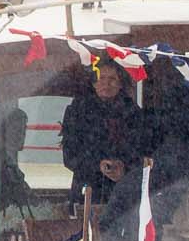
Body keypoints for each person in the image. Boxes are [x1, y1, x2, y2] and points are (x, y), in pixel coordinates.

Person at [60, 58, 149, 213]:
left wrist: (124, 168)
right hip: (86, 193)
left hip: (123, 194)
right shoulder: (77, 111)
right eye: (102, 78)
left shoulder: (133, 113)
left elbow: (142, 152)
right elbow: (70, 156)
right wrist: (98, 166)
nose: (106, 84)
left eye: (112, 79)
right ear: (94, 83)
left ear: (121, 84)